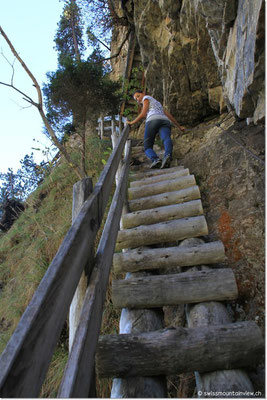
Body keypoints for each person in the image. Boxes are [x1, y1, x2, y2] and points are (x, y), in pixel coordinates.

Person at [126, 91, 185, 168]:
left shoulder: (146, 98)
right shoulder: (157, 103)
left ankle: (155, 160)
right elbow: (168, 115)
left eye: (138, 96)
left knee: (147, 147)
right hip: (164, 120)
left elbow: (143, 114)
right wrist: (179, 126)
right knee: (166, 138)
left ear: (143, 94)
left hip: (152, 120)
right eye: (136, 99)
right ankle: (167, 155)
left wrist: (131, 122)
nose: (137, 99)